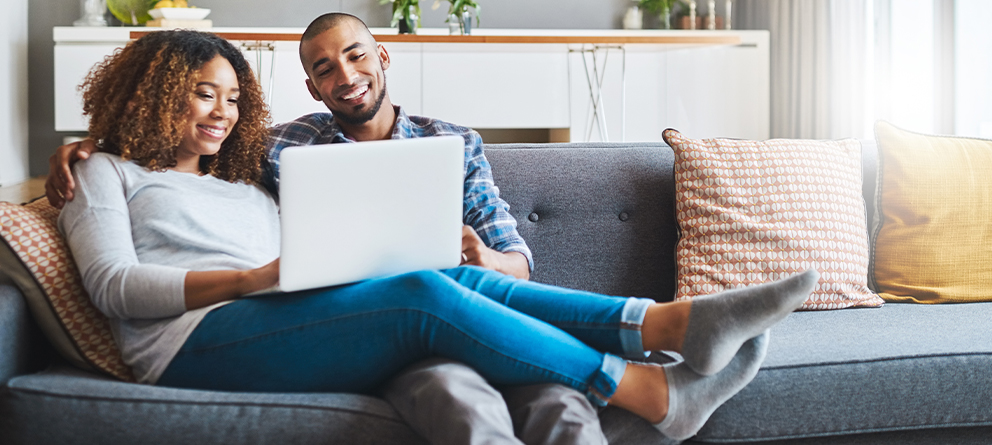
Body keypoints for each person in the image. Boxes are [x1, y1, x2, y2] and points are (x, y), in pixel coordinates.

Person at [51, 19, 819, 444]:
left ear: (382, 56)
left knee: (443, 276)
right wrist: (89, 147)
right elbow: (114, 287)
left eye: (228, 97)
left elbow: (500, 247)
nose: (219, 112)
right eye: (198, 95)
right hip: (190, 342)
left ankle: (659, 320)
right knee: (421, 289)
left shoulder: (244, 168)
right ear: (154, 96)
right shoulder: (106, 173)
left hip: (282, 318)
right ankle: (645, 382)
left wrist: (488, 254)